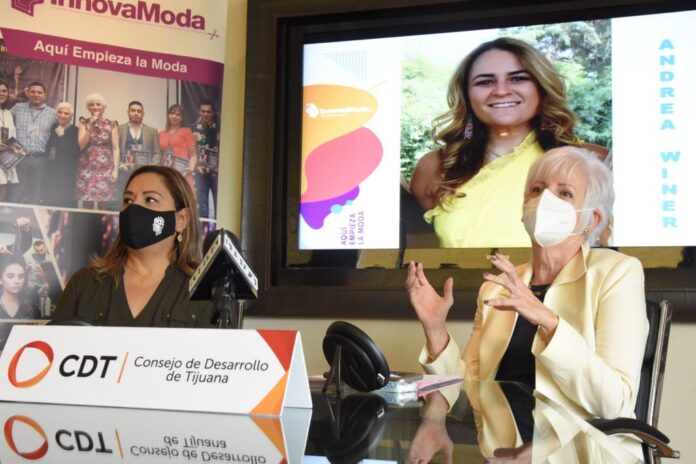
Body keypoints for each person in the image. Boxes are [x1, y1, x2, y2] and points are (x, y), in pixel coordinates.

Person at [407, 147, 648, 422]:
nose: (545, 200)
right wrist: (435, 329)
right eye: (537, 189)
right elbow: (468, 390)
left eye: (565, 193)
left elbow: (613, 404)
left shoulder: (617, 272)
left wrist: (548, 321)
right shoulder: (497, 287)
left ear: (592, 219)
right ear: (524, 208)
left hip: (580, 443)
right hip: (502, 441)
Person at [410, 38, 579, 248]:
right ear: (466, 94)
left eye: (517, 78)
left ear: (541, 88)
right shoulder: (436, 166)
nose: (501, 91)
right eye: (485, 82)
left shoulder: (583, 161)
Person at [53, 165, 213, 327]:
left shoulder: (203, 291)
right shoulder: (85, 283)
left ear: (181, 219)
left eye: (150, 199)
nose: (134, 207)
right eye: (128, 200)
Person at [8, 81, 56, 204]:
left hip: (40, 160)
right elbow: (3, 121)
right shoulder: (17, 108)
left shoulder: (53, 114)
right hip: (19, 159)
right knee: (16, 193)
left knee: (36, 195)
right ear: (27, 93)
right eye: (33, 92)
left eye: (39, 92)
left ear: (45, 95)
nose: (36, 95)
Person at [76, 93, 120, 210]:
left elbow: (116, 148)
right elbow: (81, 144)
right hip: (86, 166)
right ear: (88, 107)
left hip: (106, 166)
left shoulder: (112, 124)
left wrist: (115, 170)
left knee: (104, 204)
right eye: (91, 105)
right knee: (87, 202)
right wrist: (90, 125)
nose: (95, 107)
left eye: (98, 104)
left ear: (104, 107)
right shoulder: (84, 122)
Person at [117, 100, 161, 196]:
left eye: (139, 111)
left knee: (142, 199)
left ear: (143, 114)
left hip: (144, 174)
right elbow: (114, 150)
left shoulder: (152, 131)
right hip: (124, 173)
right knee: (123, 199)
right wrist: (120, 164)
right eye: (133, 110)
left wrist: (149, 167)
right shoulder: (119, 129)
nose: (136, 113)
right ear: (128, 112)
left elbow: (157, 153)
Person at [43, 101, 80, 207]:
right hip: (52, 173)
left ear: (71, 117)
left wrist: (62, 136)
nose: (62, 115)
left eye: (66, 113)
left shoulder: (75, 131)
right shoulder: (54, 128)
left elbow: (73, 152)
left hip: (66, 174)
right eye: (60, 112)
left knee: (65, 204)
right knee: (51, 203)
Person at [191, 101, 219, 218]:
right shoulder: (192, 129)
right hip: (200, 172)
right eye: (203, 111)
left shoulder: (220, 128)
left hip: (217, 172)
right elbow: (190, 151)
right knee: (202, 207)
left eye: (208, 112)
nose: (206, 114)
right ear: (199, 112)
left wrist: (219, 167)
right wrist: (196, 166)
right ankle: (204, 228)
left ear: (213, 113)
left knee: (219, 205)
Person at [159, 104, 196, 192]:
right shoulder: (161, 133)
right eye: (172, 113)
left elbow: (193, 154)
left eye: (178, 114)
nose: (174, 116)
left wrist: (190, 169)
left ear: (182, 118)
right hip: (166, 172)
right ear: (168, 115)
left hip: (182, 173)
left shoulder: (186, 131)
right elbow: (160, 154)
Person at [0, 254, 40, 320]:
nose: (17, 281)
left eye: (21, 276)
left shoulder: (31, 305)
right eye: (10, 276)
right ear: (0, 279)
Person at [0, 80, 20, 202]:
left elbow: (12, 136)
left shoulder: (8, 114)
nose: (1, 93)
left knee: (3, 189)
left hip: (6, 158)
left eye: (4, 91)